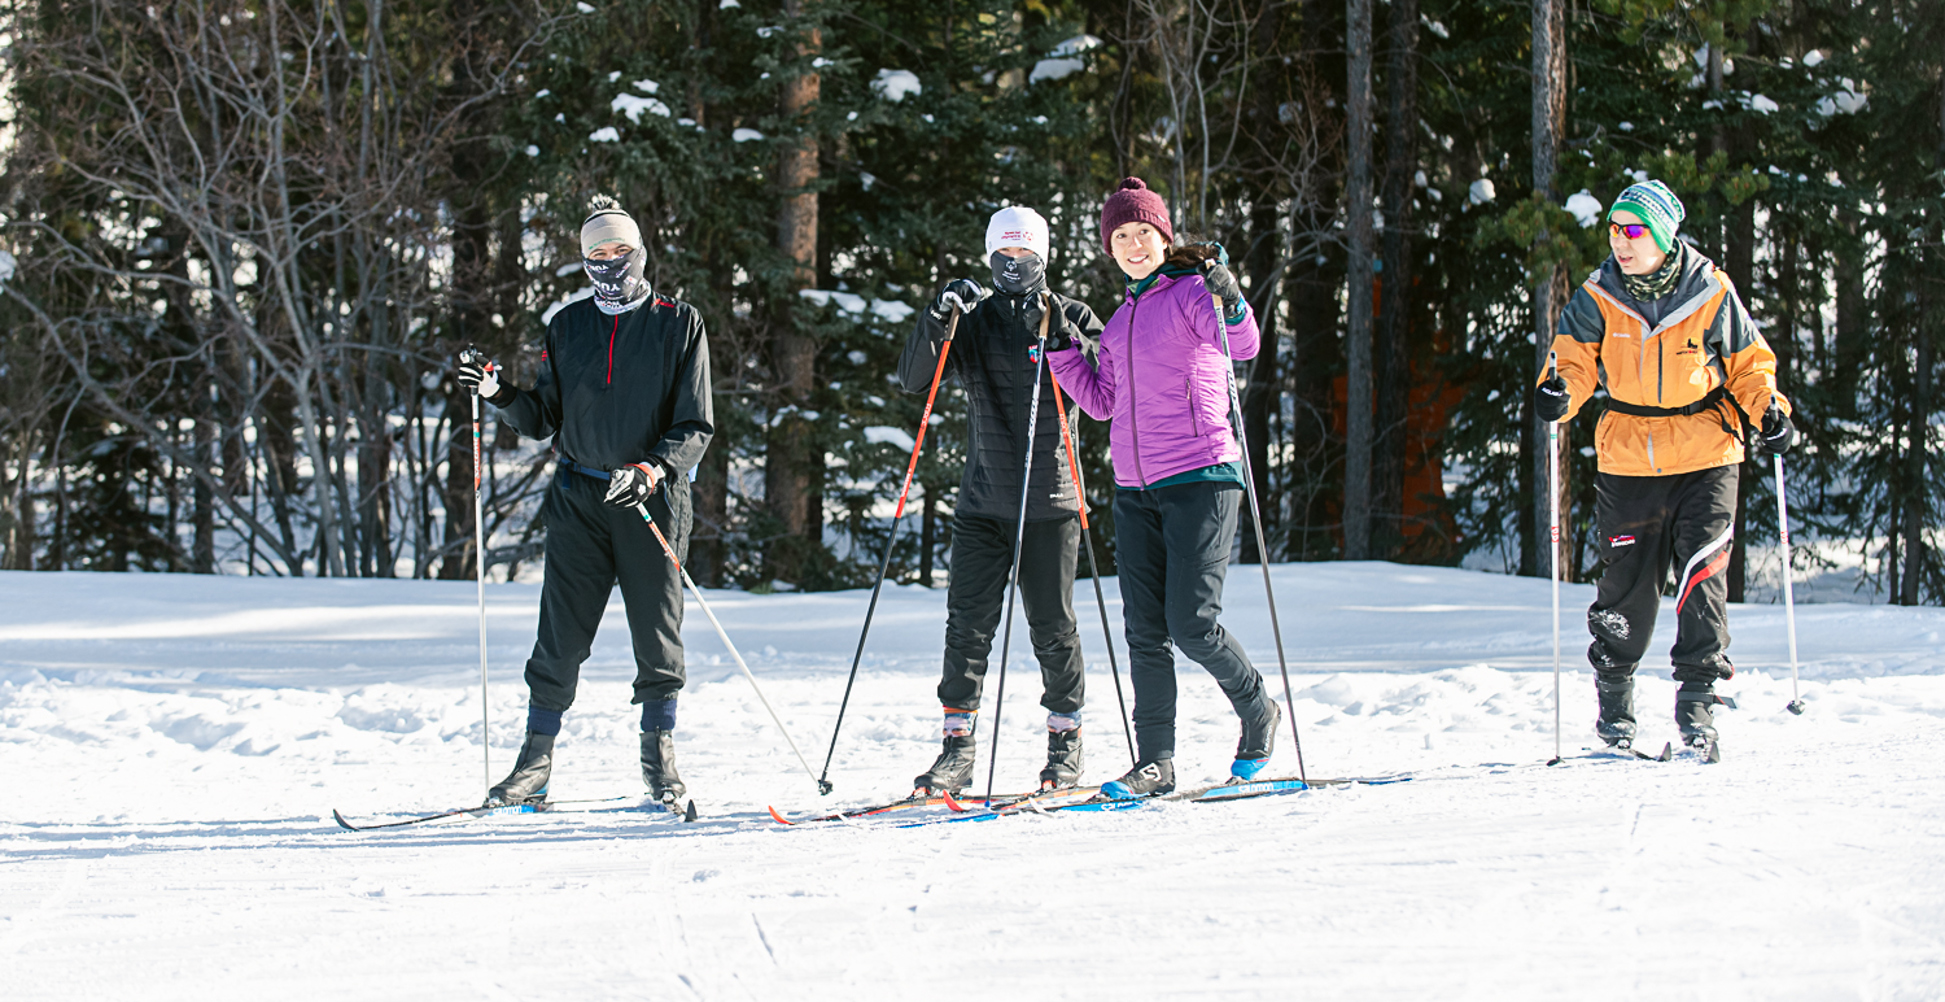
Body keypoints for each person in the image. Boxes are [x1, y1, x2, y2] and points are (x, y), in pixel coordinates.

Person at [455, 194, 714, 807]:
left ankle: (660, 761)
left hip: (650, 499)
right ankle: (534, 763)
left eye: (620, 249)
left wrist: (652, 469)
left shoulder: (679, 323)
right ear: (583, 260)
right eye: (598, 252)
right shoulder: (567, 326)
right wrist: (498, 391)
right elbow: (544, 418)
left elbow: (696, 425)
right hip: (578, 497)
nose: (610, 260)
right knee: (560, 635)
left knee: (657, 633)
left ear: (641, 252)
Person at [1535, 179, 1795, 755]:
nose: (1620, 243)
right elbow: (1572, 360)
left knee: (1703, 577)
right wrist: (1558, 391)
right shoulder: (1598, 295)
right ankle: (1616, 703)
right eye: (1614, 231)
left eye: (1633, 231)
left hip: (1707, 451)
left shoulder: (1711, 292)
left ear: (1661, 236)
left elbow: (1751, 366)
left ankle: (1698, 702)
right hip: (1630, 454)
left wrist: (1769, 410)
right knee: (1627, 586)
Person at [1045, 177, 1281, 799]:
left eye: (1142, 232)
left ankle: (1258, 711)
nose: (1132, 244)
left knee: (1193, 623)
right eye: (1120, 236)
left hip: (1201, 476)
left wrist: (1228, 294)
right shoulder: (1119, 318)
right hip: (1133, 489)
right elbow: (1102, 403)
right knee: (1144, 631)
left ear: (1162, 236)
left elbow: (1245, 344)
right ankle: (1156, 762)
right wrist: (1063, 352)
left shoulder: (1189, 295)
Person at [897, 205, 1107, 796]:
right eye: (1003, 257)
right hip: (984, 502)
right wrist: (938, 319)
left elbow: (1100, 386)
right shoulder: (975, 318)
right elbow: (915, 378)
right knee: (966, 626)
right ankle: (957, 749)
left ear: (1043, 258)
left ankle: (1065, 742)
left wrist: (1065, 332)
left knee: (1052, 626)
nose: (1013, 267)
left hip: (1051, 502)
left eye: (1025, 257)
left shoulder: (1073, 314)